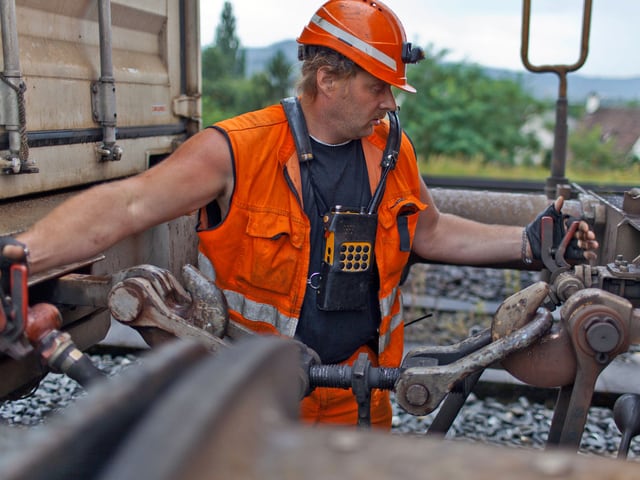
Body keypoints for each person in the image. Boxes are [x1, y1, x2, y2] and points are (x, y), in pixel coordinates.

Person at [0, 0, 597, 428]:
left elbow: (430, 230)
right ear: (328, 78)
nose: (391, 102)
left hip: (360, 399)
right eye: (379, 87)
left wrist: (527, 240)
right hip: (246, 393)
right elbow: (128, 203)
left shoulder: (391, 150)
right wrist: (23, 258)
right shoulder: (240, 148)